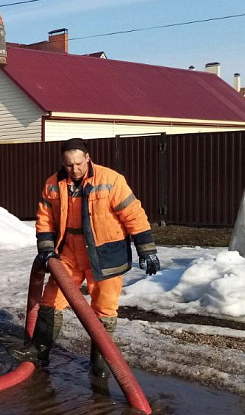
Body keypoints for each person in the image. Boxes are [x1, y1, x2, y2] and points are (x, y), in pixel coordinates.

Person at [9, 138, 160, 378]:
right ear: (63, 162)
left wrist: (147, 249)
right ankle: (38, 352)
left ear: (88, 158)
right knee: (51, 300)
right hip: (69, 253)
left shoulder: (111, 180)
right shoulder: (53, 184)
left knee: (104, 309)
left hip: (105, 255)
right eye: (69, 165)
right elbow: (45, 219)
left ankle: (100, 364)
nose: (75, 169)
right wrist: (46, 249)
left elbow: (134, 214)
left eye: (78, 164)